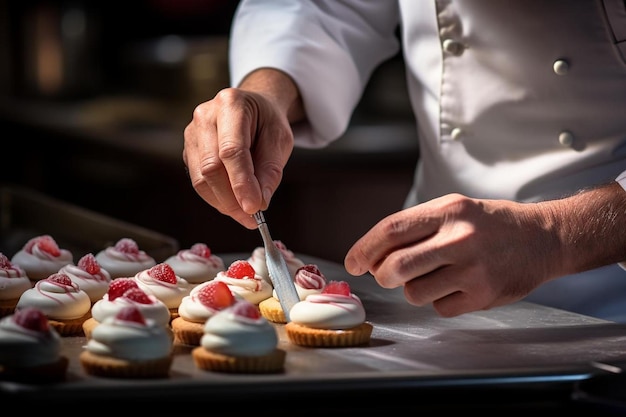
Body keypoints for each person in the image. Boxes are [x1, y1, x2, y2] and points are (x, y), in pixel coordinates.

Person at [183, 1, 626, 322]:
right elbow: (326, 6)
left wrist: (553, 238)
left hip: (613, 303)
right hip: (433, 294)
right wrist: (269, 92)